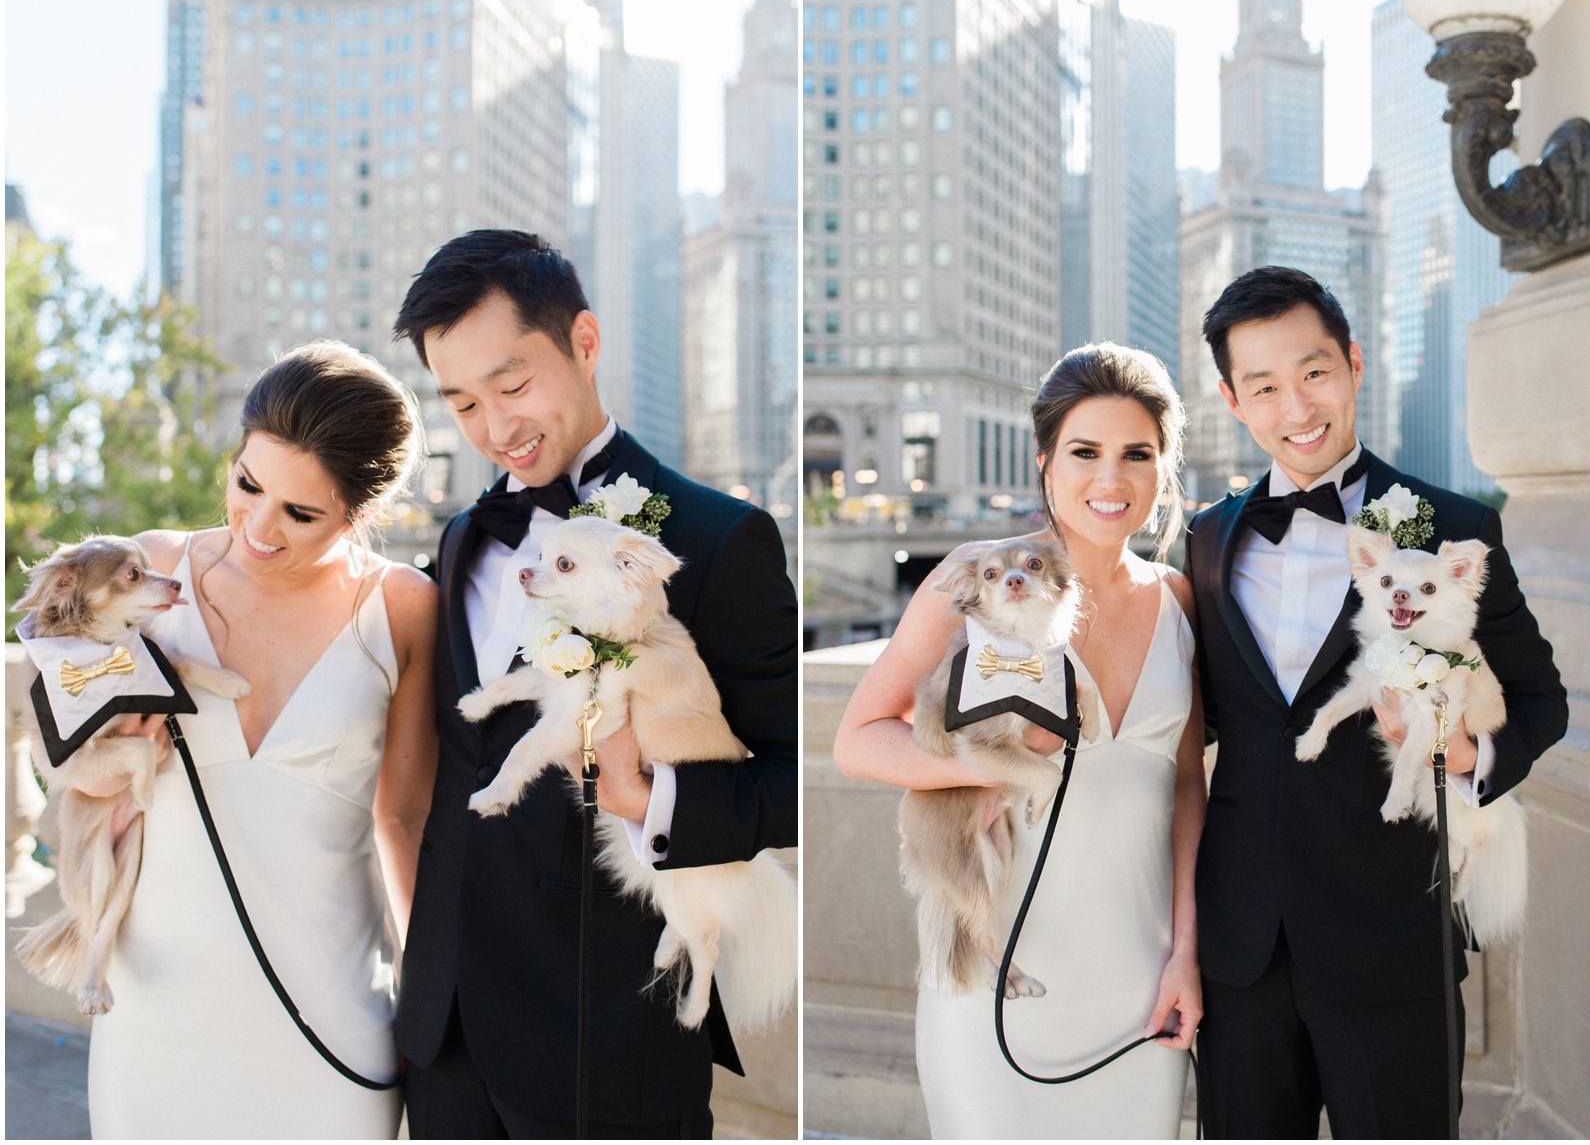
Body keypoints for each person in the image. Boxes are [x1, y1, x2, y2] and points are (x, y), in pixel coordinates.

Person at [391, 229, 798, 1138]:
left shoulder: (719, 538)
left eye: (513, 384)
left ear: (584, 340)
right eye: (462, 403)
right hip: (446, 1029)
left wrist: (651, 797)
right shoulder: (464, 537)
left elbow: (790, 777)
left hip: (608, 1035)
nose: (497, 427)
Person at [1185, 266, 1567, 1138]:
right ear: (1233, 401)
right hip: (1240, 950)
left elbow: (1542, 701)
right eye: (1265, 386)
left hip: (1393, 943)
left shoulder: (1453, 525)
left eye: (1314, 372)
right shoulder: (1208, 538)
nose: (1297, 406)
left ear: (1354, 363)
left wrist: (1463, 756)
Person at [834, 343, 1207, 1139]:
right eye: (1085, 452)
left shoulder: (1178, 598)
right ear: (1045, 460)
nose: (1110, 479)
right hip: (996, 970)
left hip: (1139, 980)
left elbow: (1185, 786)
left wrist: (1186, 953)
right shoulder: (973, 573)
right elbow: (858, 740)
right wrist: (994, 763)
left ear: (1162, 469)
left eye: (1136, 454)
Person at [87, 342, 439, 1138]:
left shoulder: (404, 608)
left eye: (301, 513)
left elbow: (404, 819)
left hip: (333, 1016)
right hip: (153, 1005)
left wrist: (435, 1007)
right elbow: (70, 751)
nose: (258, 527)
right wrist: (114, 715)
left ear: (361, 513)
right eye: (248, 483)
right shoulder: (149, 570)